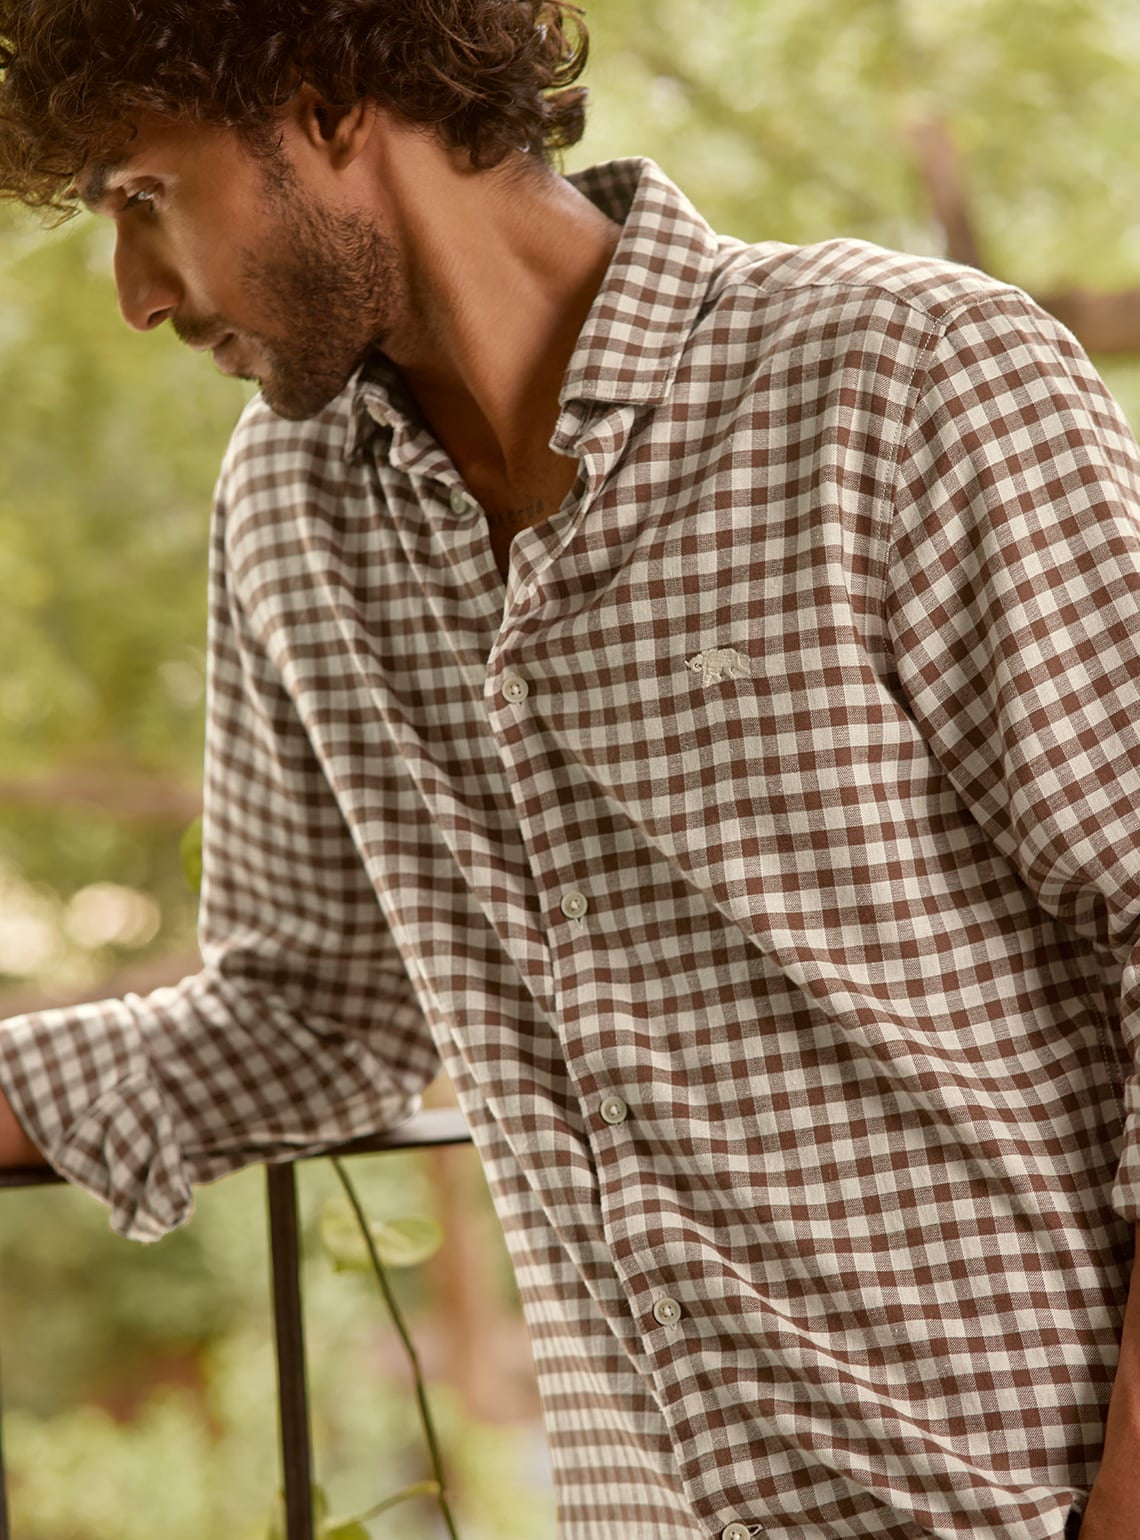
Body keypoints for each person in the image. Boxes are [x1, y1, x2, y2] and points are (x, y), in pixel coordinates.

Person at [0, 3, 1137, 1536]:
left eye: (146, 195)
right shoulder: (293, 512)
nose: (138, 294)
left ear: (326, 100)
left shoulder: (905, 376)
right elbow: (313, 1016)